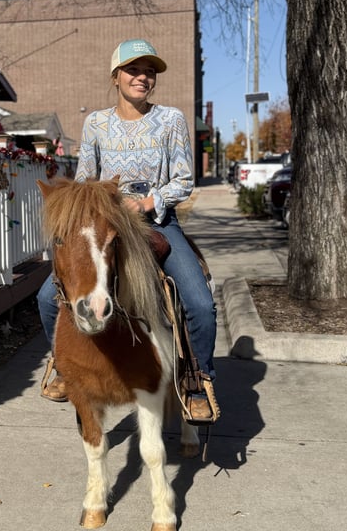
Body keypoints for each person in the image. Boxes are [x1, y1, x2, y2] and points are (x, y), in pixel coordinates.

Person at [37, 38, 218, 422]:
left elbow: (184, 180)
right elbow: (85, 179)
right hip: (106, 226)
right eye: (133, 70)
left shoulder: (170, 120)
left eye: (149, 71)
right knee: (45, 299)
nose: (142, 77)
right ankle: (64, 367)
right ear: (115, 76)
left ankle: (197, 381)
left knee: (200, 303)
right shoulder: (96, 123)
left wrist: (147, 203)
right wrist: (87, 207)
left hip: (157, 224)